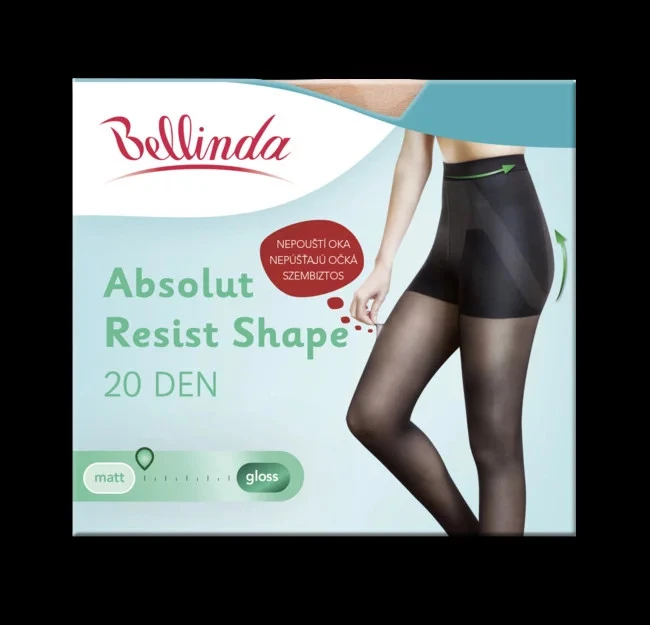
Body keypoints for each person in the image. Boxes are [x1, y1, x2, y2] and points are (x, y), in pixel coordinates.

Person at [347, 133, 555, 536]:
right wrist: (383, 263)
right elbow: (414, 158)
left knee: (494, 445)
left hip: (507, 243)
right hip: (450, 245)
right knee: (373, 415)